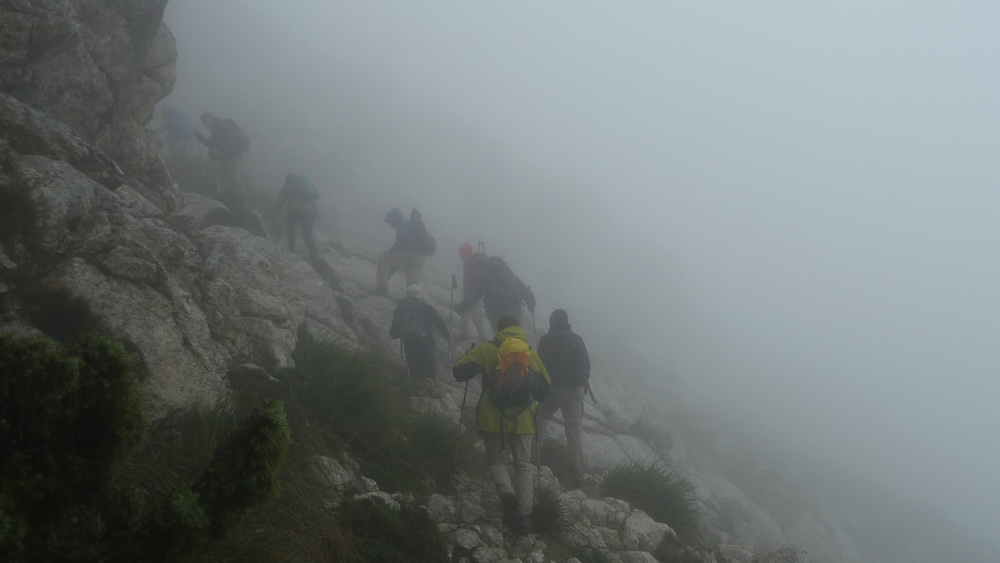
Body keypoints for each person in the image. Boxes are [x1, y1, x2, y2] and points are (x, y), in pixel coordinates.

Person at [453, 315, 551, 535]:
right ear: (519, 328)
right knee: (523, 465)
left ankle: (507, 493)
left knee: (496, 460)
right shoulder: (530, 354)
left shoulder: (487, 349)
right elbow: (544, 390)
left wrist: (470, 355)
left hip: (493, 416)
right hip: (523, 419)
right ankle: (524, 518)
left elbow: (458, 371)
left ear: (498, 329)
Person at [536, 308, 592, 487]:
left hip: (558, 388)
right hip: (578, 389)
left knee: (537, 418)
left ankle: (533, 461)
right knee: (574, 429)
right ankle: (578, 474)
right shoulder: (577, 338)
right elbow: (587, 366)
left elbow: (540, 365)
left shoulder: (547, 339)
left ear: (552, 320)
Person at [195, 112, 265, 236]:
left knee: (234, 182)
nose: (205, 125)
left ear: (210, 119)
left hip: (232, 158)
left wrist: (218, 151)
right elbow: (210, 143)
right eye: (204, 123)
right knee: (224, 181)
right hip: (227, 158)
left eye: (205, 122)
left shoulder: (221, 128)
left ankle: (243, 205)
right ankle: (227, 203)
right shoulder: (216, 130)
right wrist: (199, 136)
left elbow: (227, 144)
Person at [452, 254, 535, 332]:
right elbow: (524, 290)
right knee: (515, 332)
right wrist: (531, 305)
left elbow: (474, 297)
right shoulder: (510, 275)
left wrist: (458, 308)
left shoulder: (486, 278)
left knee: (501, 334)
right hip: (514, 308)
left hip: (496, 311)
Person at [390, 285, 450, 382]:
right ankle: (429, 384)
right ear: (419, 294)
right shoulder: (425, 306)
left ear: (407, 294)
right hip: (426, 340)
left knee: (413, 364)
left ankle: (415, 384)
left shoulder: (400, 308)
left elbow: (393, 331)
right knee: (428, 364)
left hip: (408, 341)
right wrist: (447, 335)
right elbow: (439, 321)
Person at [370, 208, 424, 296]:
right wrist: (391, 270)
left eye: (390, 221)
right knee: (412, 276)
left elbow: (403, 241)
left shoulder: (403, 224)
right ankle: (414, 298)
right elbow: (399, 259)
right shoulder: (411, 225)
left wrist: (392, 249)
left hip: (409, 254)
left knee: (383, 257)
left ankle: (381, 288)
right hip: (419, 257)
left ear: (394, 218)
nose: (390, 224)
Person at [271, 173, 320, 262]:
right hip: (309, 212)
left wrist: (271, 217)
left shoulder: (287, 187)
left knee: (291, 232)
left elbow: (279, 203)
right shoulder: (308, 185)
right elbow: (315, 197)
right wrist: (316, 212)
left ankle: (292, 253)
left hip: (293, 211)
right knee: (307, 234)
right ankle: (314, 257)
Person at [457, 243, 491, 341]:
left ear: (465, 253)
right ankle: (465, 334)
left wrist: (468, 294)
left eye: (461, 254)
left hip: (474, 295)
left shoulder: (469, 262)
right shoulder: (475, 261)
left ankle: (485, 339)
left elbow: (468, 279)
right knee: (467, 314)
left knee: (478, 317)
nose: (460, 256)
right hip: (474, 293)